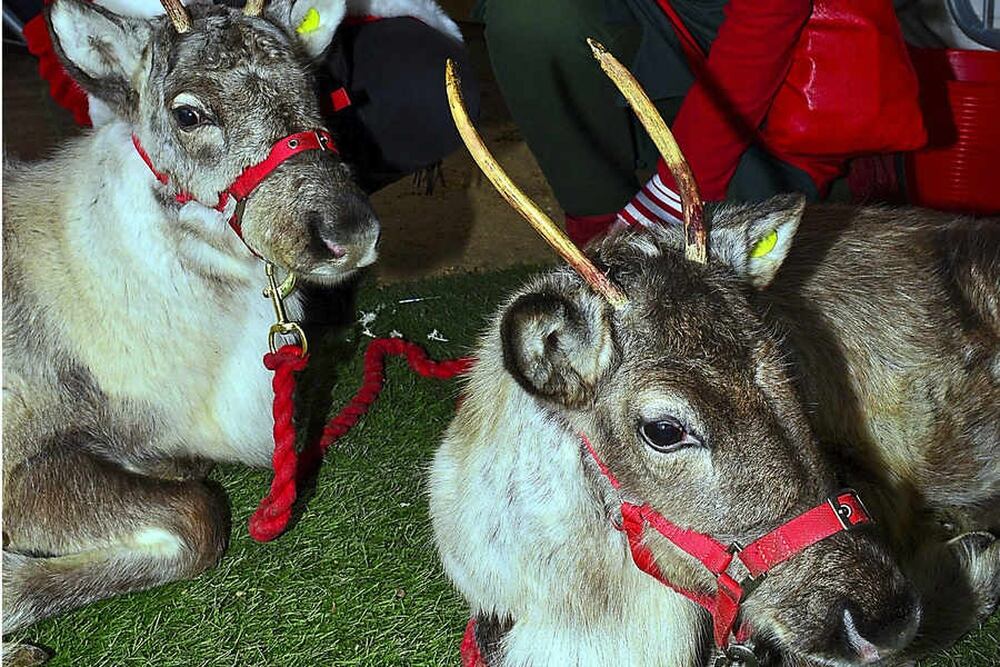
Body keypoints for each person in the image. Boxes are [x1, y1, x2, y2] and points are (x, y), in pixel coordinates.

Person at [22, 0, 480, 195]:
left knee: (428, 86)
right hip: (180, 92)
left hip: (306, 62)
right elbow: (63, 41)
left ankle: (327, 200)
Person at [476, 0, 832, 246]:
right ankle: (600, 237)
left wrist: (676, 191)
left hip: (799, 75)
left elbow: (767, 21)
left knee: (739, 256)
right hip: (661, 36)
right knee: (532, 15)